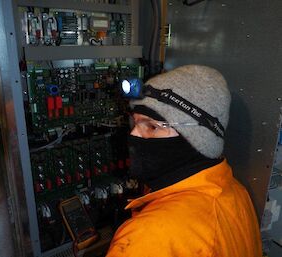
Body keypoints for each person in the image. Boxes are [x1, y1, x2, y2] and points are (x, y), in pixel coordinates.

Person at [106, 65, 262, 257]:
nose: (133, 135)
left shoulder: (149, 236)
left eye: (152, 127)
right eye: (135, 123)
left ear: (197, 137)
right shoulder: (236, 192)